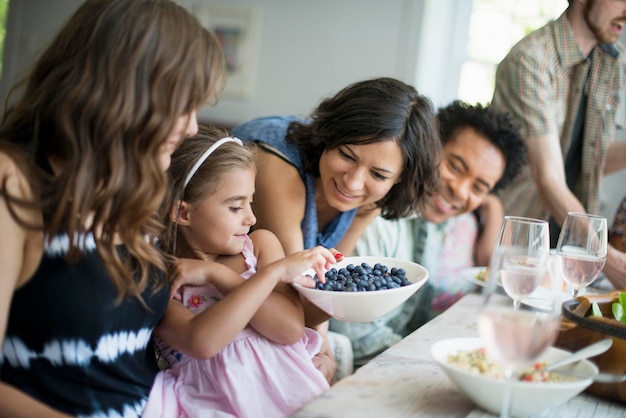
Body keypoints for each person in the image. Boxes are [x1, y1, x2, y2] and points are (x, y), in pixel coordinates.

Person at [0, 0, 242, 416]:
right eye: (182, 105)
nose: (191, 127)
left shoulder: (133, 200)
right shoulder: (14, 182)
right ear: (124, 91)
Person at [229, 77, 442, 381]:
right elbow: (300, 294)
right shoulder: (278, 168)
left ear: (399, 179)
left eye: (379, 174)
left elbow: (327, 279)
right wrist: (323, 347)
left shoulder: (370, 201)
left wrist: (324, 349)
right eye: (346, 155)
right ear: (330, 135)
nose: (353, 183)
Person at [143, 126, 338, 418]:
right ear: (183, 213)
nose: (252, 217)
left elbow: (288, 329)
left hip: (288, 392)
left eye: (251, 202)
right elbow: (202, 342)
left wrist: (217, 275)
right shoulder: (162, 276)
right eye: (236, 207)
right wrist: (271, 275)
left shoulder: (259, 247)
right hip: (211, 403)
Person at [329, 100, 526, 367]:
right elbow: (357, 334)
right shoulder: (377, 218)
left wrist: (492, 207)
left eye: (478, 187)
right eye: (455, 167)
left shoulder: (454, 223)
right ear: (428, 148)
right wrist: (448, 362)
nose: (461, 190)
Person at [490, 0, 626, 288]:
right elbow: (548, 177)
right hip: (516, 239)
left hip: (566, 248)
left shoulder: (610, 61)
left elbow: (592, 161)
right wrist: (605, 258)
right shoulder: (530, 60)